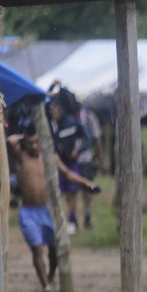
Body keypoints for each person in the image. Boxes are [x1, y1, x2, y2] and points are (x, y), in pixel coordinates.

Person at [7, 120, 99, 292]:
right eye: (30, 142)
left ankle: (50, 276)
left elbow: (67, 174)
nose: (33, 146)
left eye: (36, 141)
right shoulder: (20, 159)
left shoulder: (50, 158)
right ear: (25, 143)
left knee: (54, 249)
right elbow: (10, 141)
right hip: (28, 212)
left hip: (48, 210)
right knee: (37, 248)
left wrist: (86, 183)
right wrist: (23, 137)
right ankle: (45, 286)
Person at [47, 90, 90, 235]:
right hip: (58, 164)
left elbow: (87, 138)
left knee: (72, 193)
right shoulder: (51, 125)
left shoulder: (72, 122)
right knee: (59, 193)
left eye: (56, 110)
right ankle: (60, 222)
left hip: (71, 163)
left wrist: (78, 151)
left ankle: (72, 220)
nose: (54, 113)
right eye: (52, 111)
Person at [76, 103, 107, 229]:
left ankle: (87, 216)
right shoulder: (67, 116)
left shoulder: (89, 117)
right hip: (71, 159)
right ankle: (73, 219)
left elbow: (97, 139)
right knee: (71, 191)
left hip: (85, 159)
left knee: (86, 188)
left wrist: (102, 159)